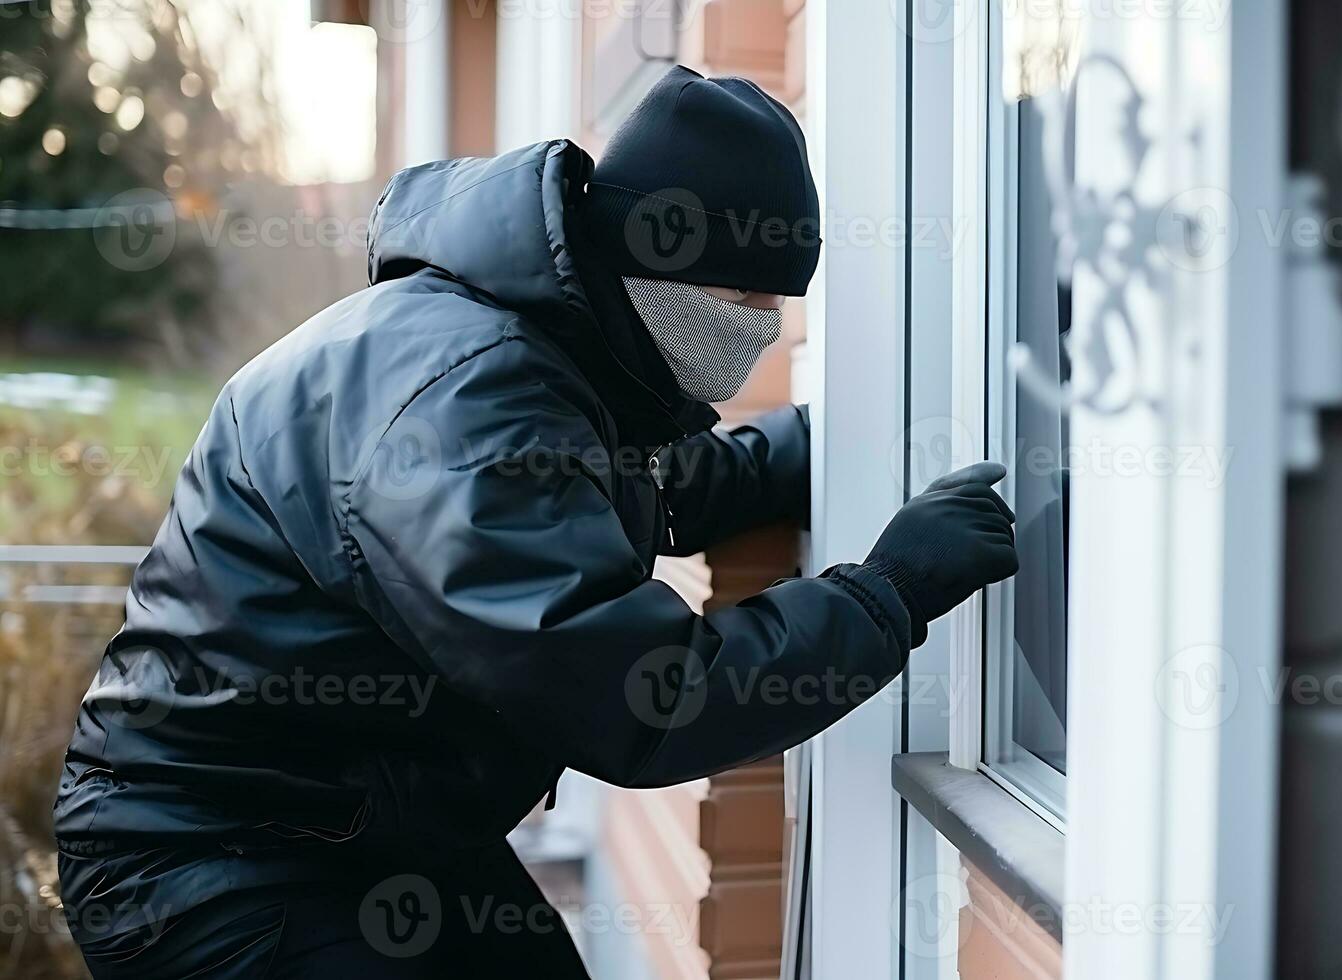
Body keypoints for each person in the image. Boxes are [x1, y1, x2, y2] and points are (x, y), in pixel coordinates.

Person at [53, 66, 1018, 978]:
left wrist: (830, 439)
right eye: (747, 301)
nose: (762, 329)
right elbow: (644, 696)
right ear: (658, 271)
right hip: (205, 861)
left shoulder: (538, 343)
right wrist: (888, 592)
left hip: (348, 820)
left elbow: (643, 494)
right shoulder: (467, 400)